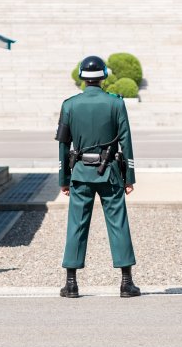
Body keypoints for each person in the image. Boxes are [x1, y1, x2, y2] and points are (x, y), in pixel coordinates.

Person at [56, 55, 140, 298]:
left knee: (76, 226)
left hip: (81, 174)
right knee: (118, 224)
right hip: (110, 174)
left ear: (82, 77)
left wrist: (63, 178)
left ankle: (71, 283)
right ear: (103, 76)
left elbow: (63, 145)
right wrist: (129, 177)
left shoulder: (69, 105)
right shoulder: (116, 104)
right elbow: (126, 141)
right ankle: (126, 282)